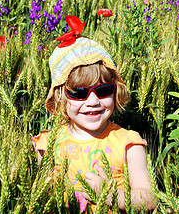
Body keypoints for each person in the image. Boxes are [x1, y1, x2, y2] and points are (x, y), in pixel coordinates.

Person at [32, 23, 155, 212]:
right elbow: (37, 195)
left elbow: (148, 199)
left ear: (115, 91)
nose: (93, 101)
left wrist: (111, 195)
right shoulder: (47, 144)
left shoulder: (128, 143)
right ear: (59, 96)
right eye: (79, 92)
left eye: (103, 90)